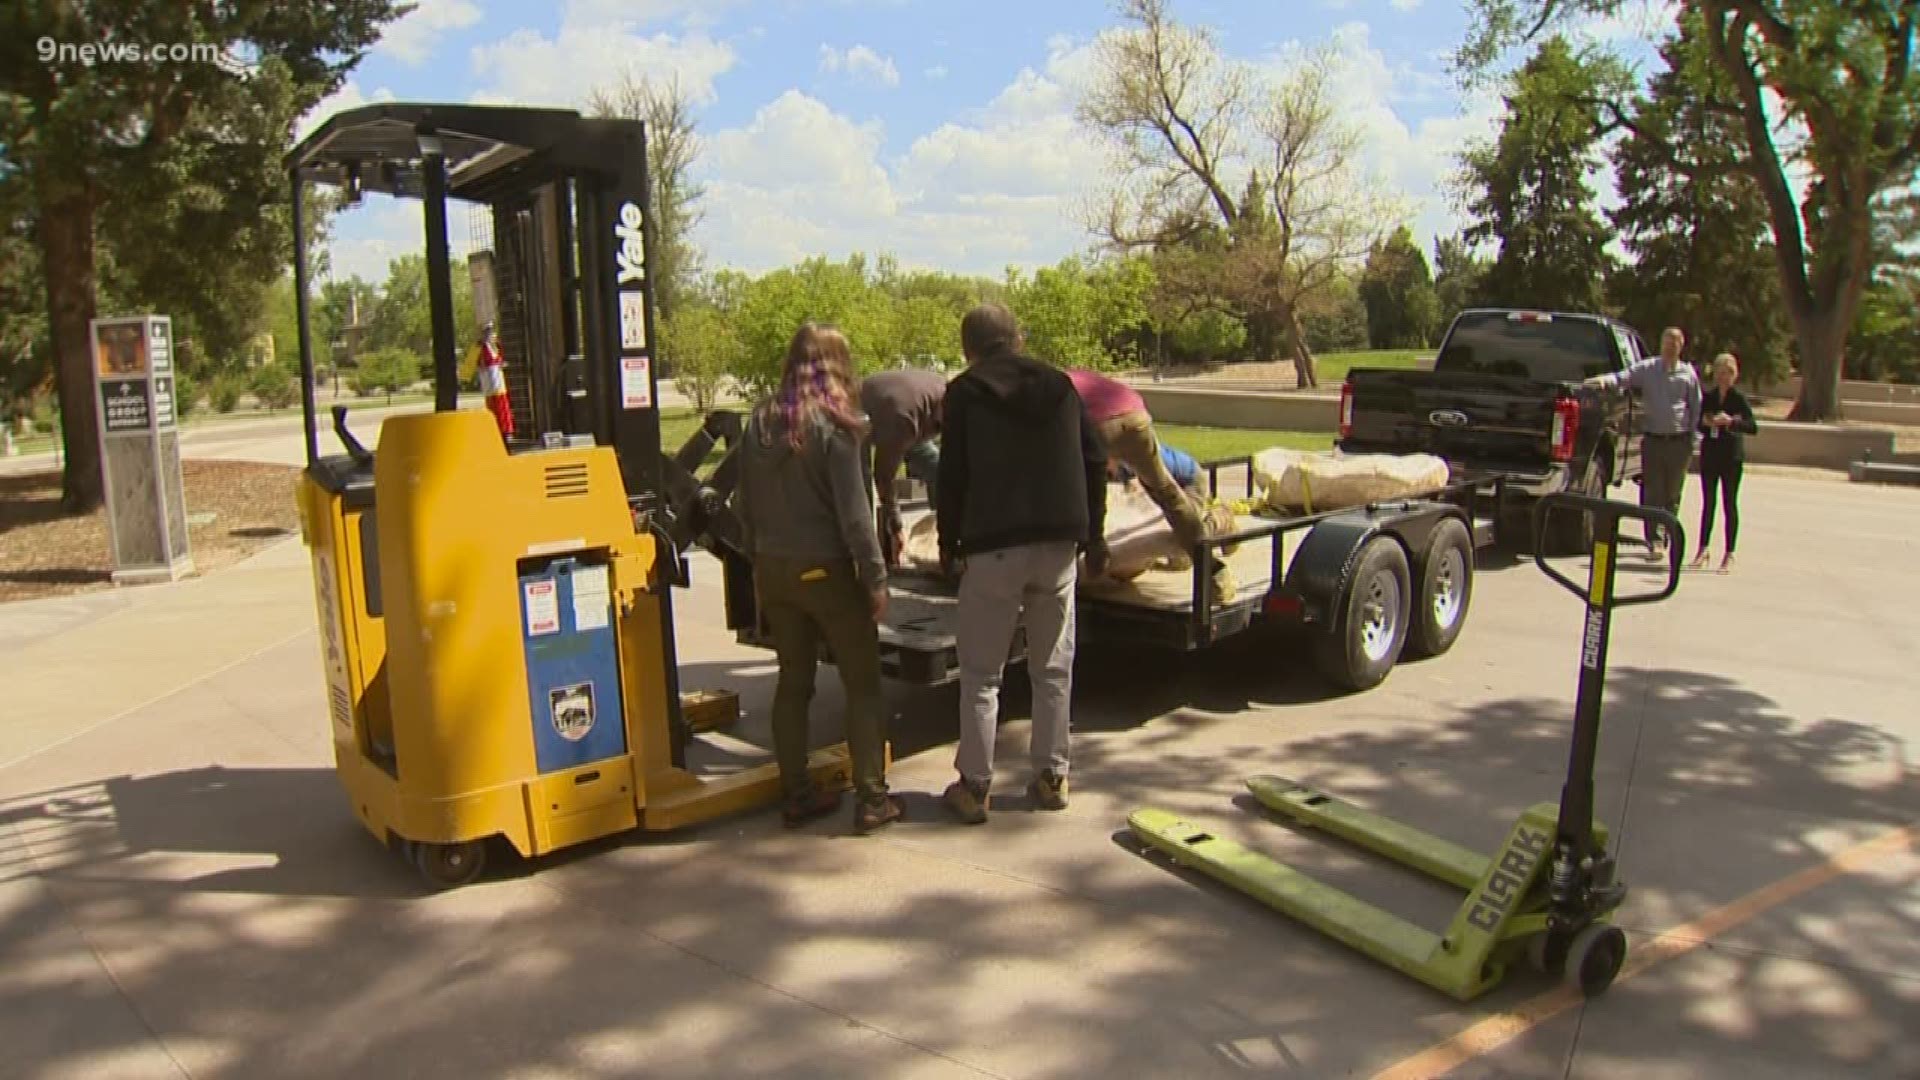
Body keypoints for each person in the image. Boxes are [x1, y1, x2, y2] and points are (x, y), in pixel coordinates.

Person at [936, 303, 1108, 824]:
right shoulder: (1059, 386)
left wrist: (948, 542)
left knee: (982, 674)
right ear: (1017, 337)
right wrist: (1094, 536)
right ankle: (1052, 776)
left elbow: (952, 474)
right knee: (1053, 668)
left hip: (993, 548)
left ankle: (975, 786)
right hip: (1058, 544)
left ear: (969, 348)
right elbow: (1095, 458)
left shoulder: (965, 394)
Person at [730, 323, 902, 834]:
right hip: (825, 569)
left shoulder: (760, 421)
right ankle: (873, 799)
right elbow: (854, 516)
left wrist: (757, 564)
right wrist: (875, 579)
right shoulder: (838, 424)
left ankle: (797, 793)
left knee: (794, 684)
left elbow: (744, 505)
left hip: (775, 570)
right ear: (839, 364)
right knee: (863, 685)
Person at [1582, 326, 1701, 557]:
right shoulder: (1648, 369)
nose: (1670, 348)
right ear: (1661, 345)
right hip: (1653, 441)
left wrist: (1692, 439)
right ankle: (1654, 541)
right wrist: (1601, 381)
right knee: (1652, 492)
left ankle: (1668, 533)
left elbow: (1695, 407)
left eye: (1674, 344)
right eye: (1666, 343)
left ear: (1680, 347)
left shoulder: (1688, 374)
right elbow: (1623, 378)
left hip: (1679, 442)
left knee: (1672, 494)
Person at [1065, 367, 1208, 551]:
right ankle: (1210, 566)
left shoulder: (1052, 386)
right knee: (1167, 492)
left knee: (1079, 485)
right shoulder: (1078, 377)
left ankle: (1088, 551)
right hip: (1135, 412)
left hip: (1102, 421)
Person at [858, 367, 946, 567]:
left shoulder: (947, 392)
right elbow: (883, 476)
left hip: (909, 417)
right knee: (860, 484)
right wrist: (896, 525)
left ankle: (941, 538)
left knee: (940, 470)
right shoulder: (903, 419)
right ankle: (868, 557)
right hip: (858, 415)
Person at [1693, 352, 1758, 573]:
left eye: (1728, 373)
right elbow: (1699, 423)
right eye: (1720, 373)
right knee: (1708, 503)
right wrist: (1706, 422)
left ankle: (1729, 552)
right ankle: (1703, 548)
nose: (1724, 377)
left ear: (1734, 376)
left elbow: (1752, 426)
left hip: (1731, 457)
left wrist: (1731, 421)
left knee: (1729, 504)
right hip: (1710, 454)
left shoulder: (1738, 398)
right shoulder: (1709, 397)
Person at [474, 323, 514, 440]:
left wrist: (501, 363)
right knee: (493, 404)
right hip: (488, 378)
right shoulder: (479, 346)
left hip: (497, 377)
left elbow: (500, 358)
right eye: (487, 332)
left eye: (490, 331)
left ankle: (506, 430)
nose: (490, 334)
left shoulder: (496, 344)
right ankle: (495, 428)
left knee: (502, 403)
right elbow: (476, 362)